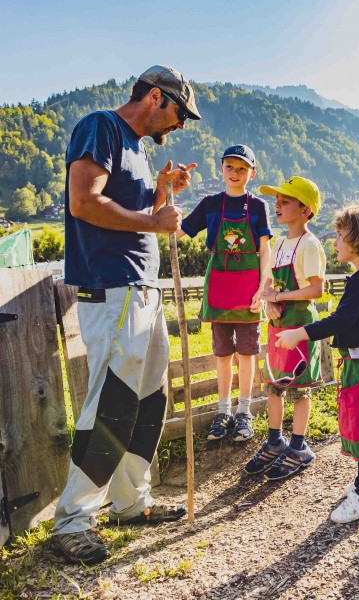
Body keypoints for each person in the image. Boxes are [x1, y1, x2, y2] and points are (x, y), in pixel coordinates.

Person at [53, 65, 201, 564]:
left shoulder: (137, 149)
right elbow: (83, 203)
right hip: (112, 286)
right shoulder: (101, 127)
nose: (179, 125)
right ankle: (73, 519)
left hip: (142, 287)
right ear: (156, 96)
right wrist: (153, 217)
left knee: (149, 396)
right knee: (111, 398)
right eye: (179, 113)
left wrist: (162, 190)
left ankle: (129, 502)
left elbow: (144, 221)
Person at [275, 200, 359, 522]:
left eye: (340, 235)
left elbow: (341, 321)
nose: (335, 241)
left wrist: (300, 333)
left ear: (358, 239)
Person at [179, 145, 272, 442]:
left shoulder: (257, 207)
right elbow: (178, 231)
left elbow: (265, 249)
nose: (235, 173)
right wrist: (163, 202)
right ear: (221, 168)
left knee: (247, 352)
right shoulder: (209, 204)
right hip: (219, 285)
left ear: (252, 174)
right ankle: (223, 412)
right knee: (222, 353)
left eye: (242, 168)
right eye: (230, 166)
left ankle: (244, 411)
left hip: (248, 289)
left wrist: (262, 287)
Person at [244, 176, 326, 480]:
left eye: (286, 201)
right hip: (277, 324)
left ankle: (299, 445)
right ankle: (275, 440)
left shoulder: (309, 244)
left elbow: (316, 290)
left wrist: (280, 296)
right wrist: (269, 301)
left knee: (298, 389)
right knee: (274, 386)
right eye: (277, 200)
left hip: (300, 325)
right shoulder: (279, 243)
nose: (277, 205)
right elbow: (268, 281)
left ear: (305, 210)